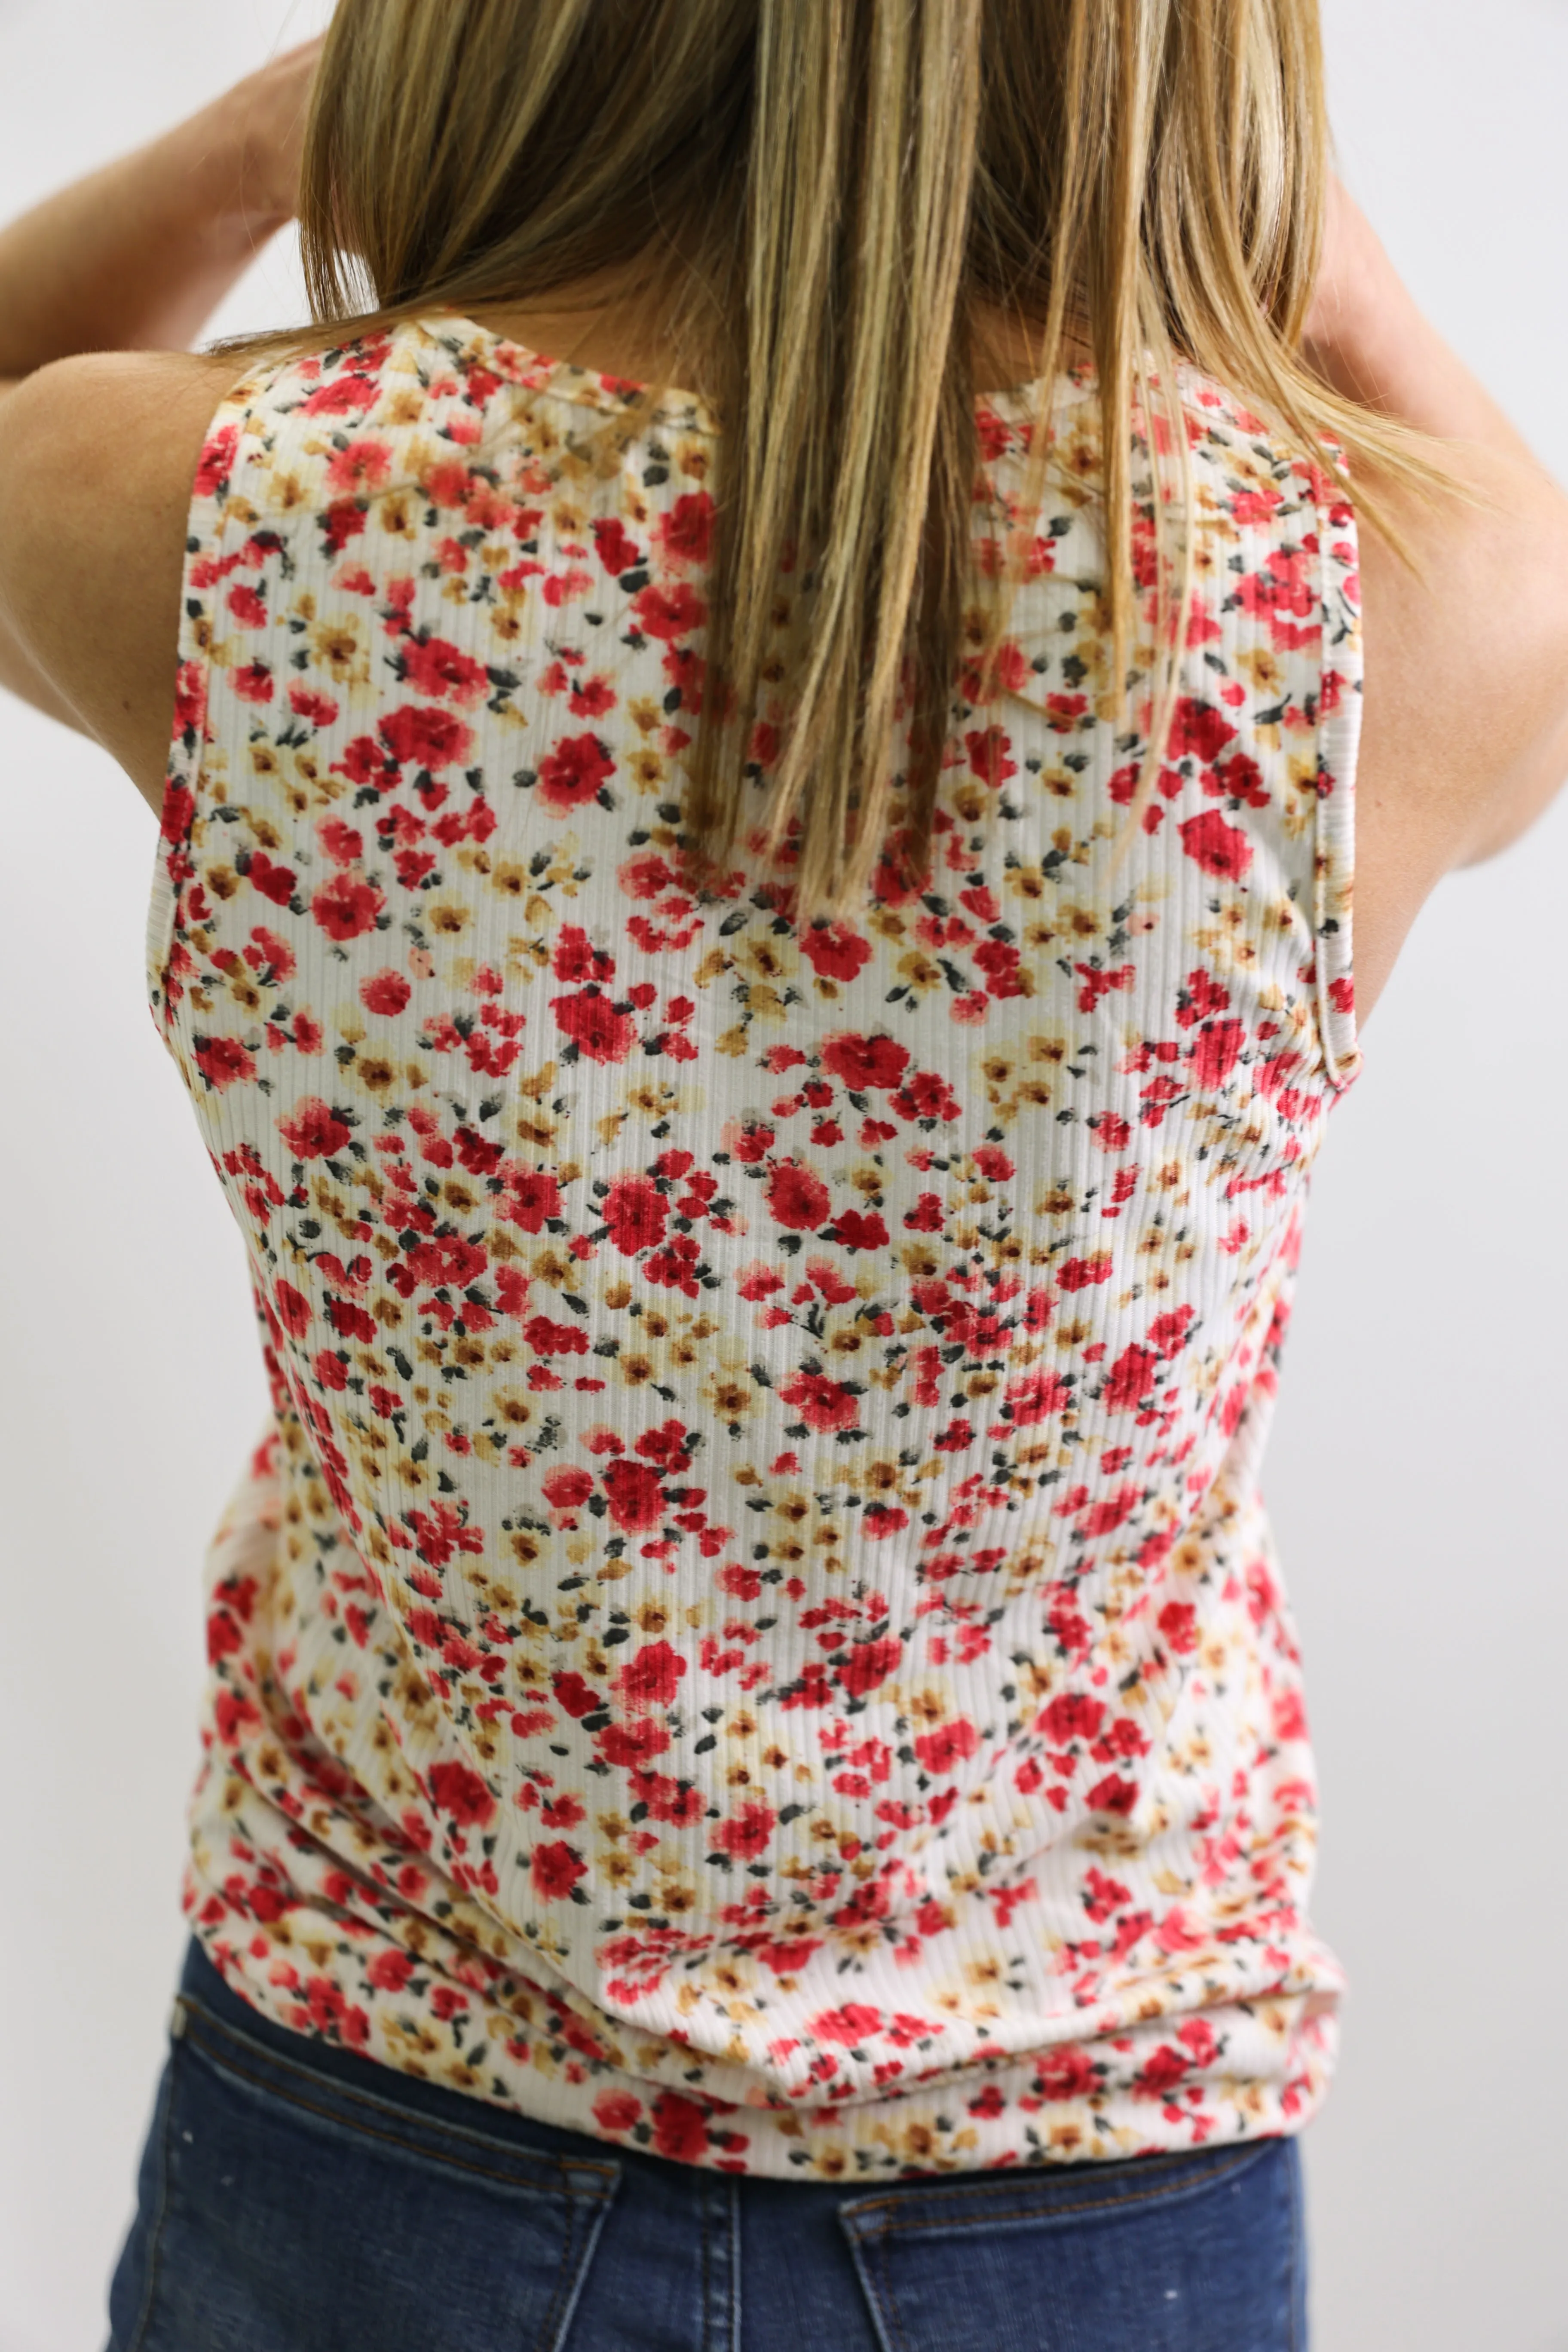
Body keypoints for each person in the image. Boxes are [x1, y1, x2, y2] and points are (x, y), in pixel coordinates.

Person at [1, 6, 1565, 2348]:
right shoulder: (1358, 610)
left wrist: (258, 144)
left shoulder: (238, 530)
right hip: (1084, 2160)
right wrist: (1274, 221)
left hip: (380, 2116)